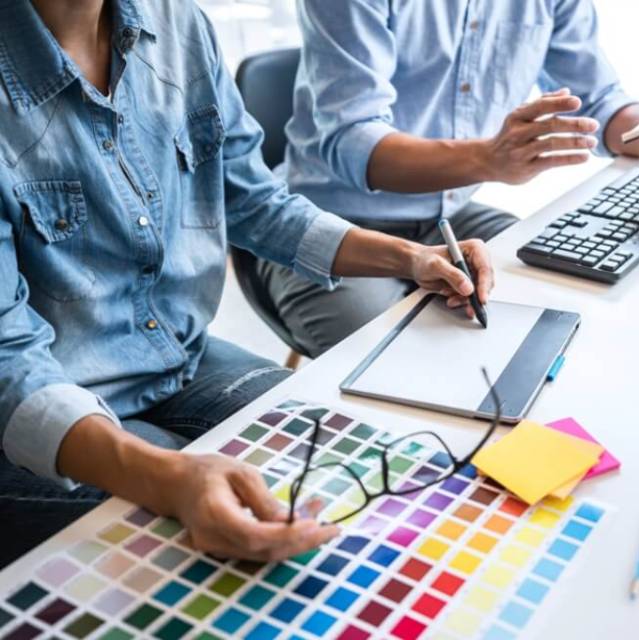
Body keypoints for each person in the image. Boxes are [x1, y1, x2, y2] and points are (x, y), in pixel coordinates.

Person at [0, 0, 496, 568]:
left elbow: (253, 201)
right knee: (206, 543)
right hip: (40, 407)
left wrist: (409, 258)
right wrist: (167, 479)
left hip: (180, 359)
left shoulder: (178, 24)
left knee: (342, 470)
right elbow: (8, 363)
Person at [256, 0, 639, 357]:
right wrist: (489, 159)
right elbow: (352, 143)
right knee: (395, 363)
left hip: (452, 214)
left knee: (566, 316)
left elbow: (599, 104)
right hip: (328, 226)